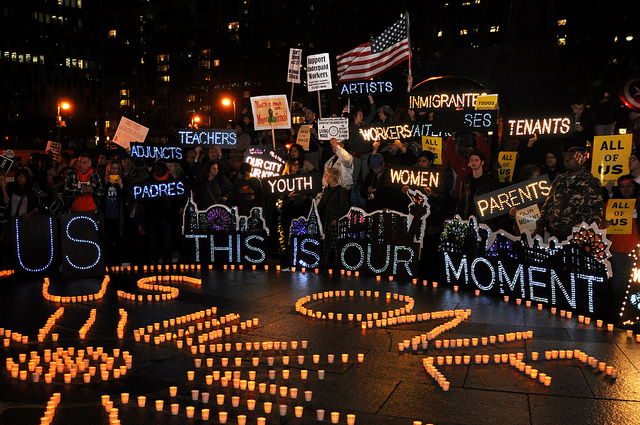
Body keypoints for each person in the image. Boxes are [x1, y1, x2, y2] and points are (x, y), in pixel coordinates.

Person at [534, 147, 603, 241]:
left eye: (570, 157)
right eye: (566, 157)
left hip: (578, 233)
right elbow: (549, 203)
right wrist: (540, 224)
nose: (566, 160)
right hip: (555, 232)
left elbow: (597, 208)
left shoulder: (591, 181)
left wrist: (591, 230)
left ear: (580, 160)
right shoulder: (559, 179)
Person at [602, 174, 640, 310]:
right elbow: (601, 225)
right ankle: (618, 310)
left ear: (635, 187)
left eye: (629, 185)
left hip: (637, 250)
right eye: (622, 186)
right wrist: (604, 225)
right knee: (618, 282)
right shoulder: (610, 204)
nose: (626, 189)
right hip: (617, 250)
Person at [317, 167, 350, 267]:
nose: (326, 177)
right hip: (327, 219)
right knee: (327, 242)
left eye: (328, 175)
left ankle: (338, 262)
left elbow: (345, 208)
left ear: (332, 177)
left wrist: (337, 219)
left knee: (336, 243)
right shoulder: (327, 189)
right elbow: (322, 203)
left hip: (335, 221)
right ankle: (326, 261)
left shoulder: (340, 191)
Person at [455, 148, 498, 220]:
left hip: (483, 219)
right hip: (468, 217)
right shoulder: (466, 180)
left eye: (476, 160)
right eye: (471, 160)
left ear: (482, 162)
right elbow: (462, 201)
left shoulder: (490, 180)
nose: (473, 162)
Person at [101, 160, 128, 266]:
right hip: (107, 215)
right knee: (107, 240)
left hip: (118, 215)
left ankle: (118, 262)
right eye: (113, 168)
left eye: (116, 168)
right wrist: (105, 183)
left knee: (119, 240)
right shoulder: (104, 181)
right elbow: (100, 196)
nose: (114, 170)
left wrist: (121, 184)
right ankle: (108, 262)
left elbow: (126, 196)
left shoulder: (123, 181)